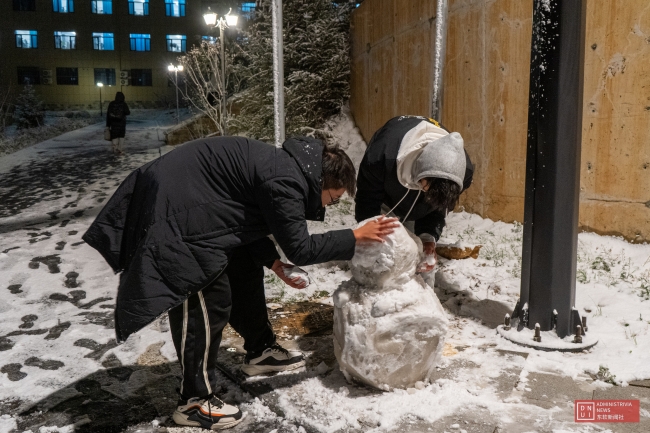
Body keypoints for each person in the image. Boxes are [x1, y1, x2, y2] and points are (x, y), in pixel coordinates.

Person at [83, 136, 397, 430]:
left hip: (196, 205)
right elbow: (301, 248)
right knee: (206, 297)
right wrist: (355, 237)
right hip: (180, 216)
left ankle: (260, 350)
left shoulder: (284, 168)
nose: (330, 205)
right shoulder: (285, 179)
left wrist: (273, 263)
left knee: (244, 266)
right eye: (335, 197)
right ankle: (194, 402)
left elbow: (244, 218)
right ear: (323, 182)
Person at [355, 115, 474, 272]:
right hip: (386, 194)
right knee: (381, 258)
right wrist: (370, 237)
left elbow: (440, 206)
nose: (427, 194)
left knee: (419, 258)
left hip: (420, 200)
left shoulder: (463, 173)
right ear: (421, 173)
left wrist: (428, 236)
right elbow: (367, 201)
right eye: (427, 189)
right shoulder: (380, 157)